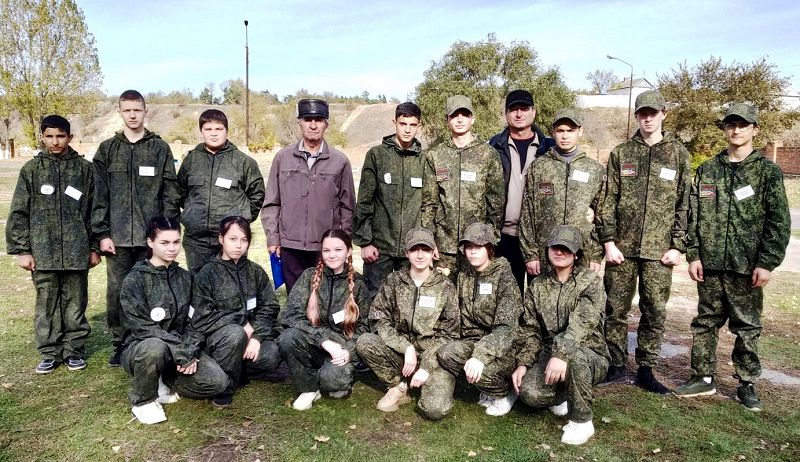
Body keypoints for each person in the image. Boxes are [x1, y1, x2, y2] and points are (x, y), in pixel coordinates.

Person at [673, 103, 791, 411]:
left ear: (755, 129)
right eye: (731, 125)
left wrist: (767, 262)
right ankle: (702, 377)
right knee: (705, 322)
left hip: (746, 266)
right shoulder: (709, 169)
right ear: (725, 129)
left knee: (747, 326)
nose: (736, 130)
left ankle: (746, 383)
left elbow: (778, 222)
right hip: (710, 264)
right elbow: (694, 216)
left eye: (742, 125)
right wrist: (694, 255)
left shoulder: (766, 172)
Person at [597, 90, 691, 394]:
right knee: (615, 309)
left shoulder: (678, 155)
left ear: (664, 113)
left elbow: (684, 204)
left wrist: (677, 245)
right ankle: (615, 364)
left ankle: (646, 369)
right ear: (636, 116)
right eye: (642, 113)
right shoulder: (621, 153)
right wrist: (608, 242)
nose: (647, 118)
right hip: (621, 250)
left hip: (658, 251)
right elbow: (608, 200)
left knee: (654, 311)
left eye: (653, 113)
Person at [93, 89, 181, 367]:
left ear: (145, 111)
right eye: (127, 110)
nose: (132, 115)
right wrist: (102, 234)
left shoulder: (159, 148)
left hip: (150, 239)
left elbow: (170, 191)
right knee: (118, 291)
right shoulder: (108, 149)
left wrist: (165, 233)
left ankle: (154, 338)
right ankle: (121, 342)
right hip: (117, 238)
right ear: (119, 112)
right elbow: (99, 195)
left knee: (153, 289)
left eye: (137, 110)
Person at [6, 115, 100, 374]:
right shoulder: (32, 170)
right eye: (49, 136)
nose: (55, 141)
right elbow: (19, 212)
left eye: (60, 136)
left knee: (75, 303)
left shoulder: (85, 169)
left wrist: (94, 247)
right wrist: (22, 250)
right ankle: (50, 352)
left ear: (70, 137)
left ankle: (74, 350)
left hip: (77, 251)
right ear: (43, 137)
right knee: (46, 304)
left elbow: (96, 210)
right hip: (43, 251)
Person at [119, 217, 228, 424]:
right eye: (164, 242)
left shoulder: (186, 278)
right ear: (150, 242)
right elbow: (142, 328)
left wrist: (190, 350)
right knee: (154, 347)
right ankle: (143, 401)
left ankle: (165, 378)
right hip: (141, 348)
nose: (172, 248)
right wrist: (180, 351)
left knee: (218, 382)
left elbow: (197, 321)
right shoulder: (135, 280)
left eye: (176, 242)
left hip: (181, 349)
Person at [511, 225, 609, 446]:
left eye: (566, 248)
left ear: (576, 254)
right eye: (555, 247)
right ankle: (564, 394)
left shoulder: (590, 281)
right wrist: (524, 363)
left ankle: (582, 421)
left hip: (590, 354)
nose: (559, 252)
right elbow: (530, 329)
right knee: (530, 394)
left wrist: (561, 355)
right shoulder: (537, 286)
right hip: (550, 354)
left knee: (575, 357)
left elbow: (581, 324)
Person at [356, 227, 460, 417]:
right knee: (365, 341)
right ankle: (399, 385)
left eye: (425, 250)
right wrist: (405, 347)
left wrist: (427, 365)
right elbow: (378, 318)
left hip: (433, 357)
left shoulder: (445, 286)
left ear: (433, 252)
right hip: (402, 356)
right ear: (406, 253)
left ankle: (425, 384)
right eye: (414, 249)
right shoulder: (394, 281)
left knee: (434, 409)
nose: (420, 255)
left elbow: (450, 333)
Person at [183, 216, 282, 407]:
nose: (238, 245)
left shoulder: (255, 272)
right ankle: (224, 389)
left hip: (249, 338)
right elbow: (202, 317)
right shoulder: (207, 274)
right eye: (233, 239)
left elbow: (269, 307)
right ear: (221, 239)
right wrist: (240, 322)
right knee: (235, 333)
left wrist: (256, 337)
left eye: (244, 240)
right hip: (220, 341)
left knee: (272, 355)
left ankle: (237, 369)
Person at [262, 99, 355, 292]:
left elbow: (347, 208)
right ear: (299, 122)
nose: (313, 125)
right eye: (308, 119)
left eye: (318, 120)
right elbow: (271, 203)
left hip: (326, 247)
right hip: (290, 246)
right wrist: (273, 238)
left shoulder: (340, 161)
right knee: (295, 299)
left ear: (326, 124)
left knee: (324, 298)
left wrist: (344, 242)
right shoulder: (282, 158)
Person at [278, 229, 370, 410]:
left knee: (333, 383)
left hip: (341, 348)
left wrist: (349, 351)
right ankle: (308, 388)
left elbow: (366, 326)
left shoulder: (359, 284)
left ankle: (332, 377)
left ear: (349, 252)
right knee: (287, 338)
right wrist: (323, 341)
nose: (332, 255)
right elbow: (290, 315)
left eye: (338, 249)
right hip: (314, 343)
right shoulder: (309, 276)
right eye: (326, 250)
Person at [436, 222, 521, 417]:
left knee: (483, 371)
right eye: (468, 247)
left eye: (478, 247)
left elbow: (506, 328)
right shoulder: (464, 275)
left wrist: (480, 357)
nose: (472, 251)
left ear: (489, 249)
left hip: (503, 346)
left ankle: (505, 392)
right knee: (447, 353)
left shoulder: (504, 276)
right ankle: (484, 386)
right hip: (473, 340)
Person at [421, 95, 505, 281]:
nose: (459, 119)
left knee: (475, 295)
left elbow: (496, 203)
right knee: (442, 294)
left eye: (464, 114)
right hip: (443, 247)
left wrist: (489, 240)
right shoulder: (435, 155)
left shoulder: (488, 154)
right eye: (454, 115)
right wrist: (429, 240)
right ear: (447, 120)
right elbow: (429, 203)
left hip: (476, 245)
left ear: (472, 119)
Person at [353, 102, 432, 300]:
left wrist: (427, 243)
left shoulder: (424, 160)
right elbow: (365, 200)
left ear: (419, 126)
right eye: (403, 124)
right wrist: (365, 242)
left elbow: (429, 204)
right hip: (380, 249)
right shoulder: (377, 155)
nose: (407, 130)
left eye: (412, 125)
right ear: (394, 122)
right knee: (376, 299)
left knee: (410, 300)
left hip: (412, 249)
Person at [519, 108, 604, 277]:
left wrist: (595, 254)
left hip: (581, 254)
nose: (565, 136)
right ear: (553, 132)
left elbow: (602, 213)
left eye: (570, 131)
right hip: (545, 254)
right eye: (560, 131)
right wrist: (530, 254)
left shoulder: (595, 169)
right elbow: (527, 212)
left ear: (580, 131)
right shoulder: (539, 166)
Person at [177, 109, 265, 274]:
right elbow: (179, 192)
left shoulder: (243, 162)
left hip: (231, 240)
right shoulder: (191, 160)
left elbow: (257, 195)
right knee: (198, 284)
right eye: (208, 129)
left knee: (231, 284)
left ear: (227, 131)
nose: (213, 133)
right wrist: (192, 214)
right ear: (201, 131)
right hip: (196, 241)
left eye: (219, 129)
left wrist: (241, 220)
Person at [489, 90, 555, 292]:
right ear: (506, 114)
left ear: (533, 112)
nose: (519, 114)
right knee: (507, 296)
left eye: (524, 109)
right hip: (504, 237)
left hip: (540, 238)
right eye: (513, 109)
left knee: (541, 296)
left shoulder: (550, 148)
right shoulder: (493, 146)